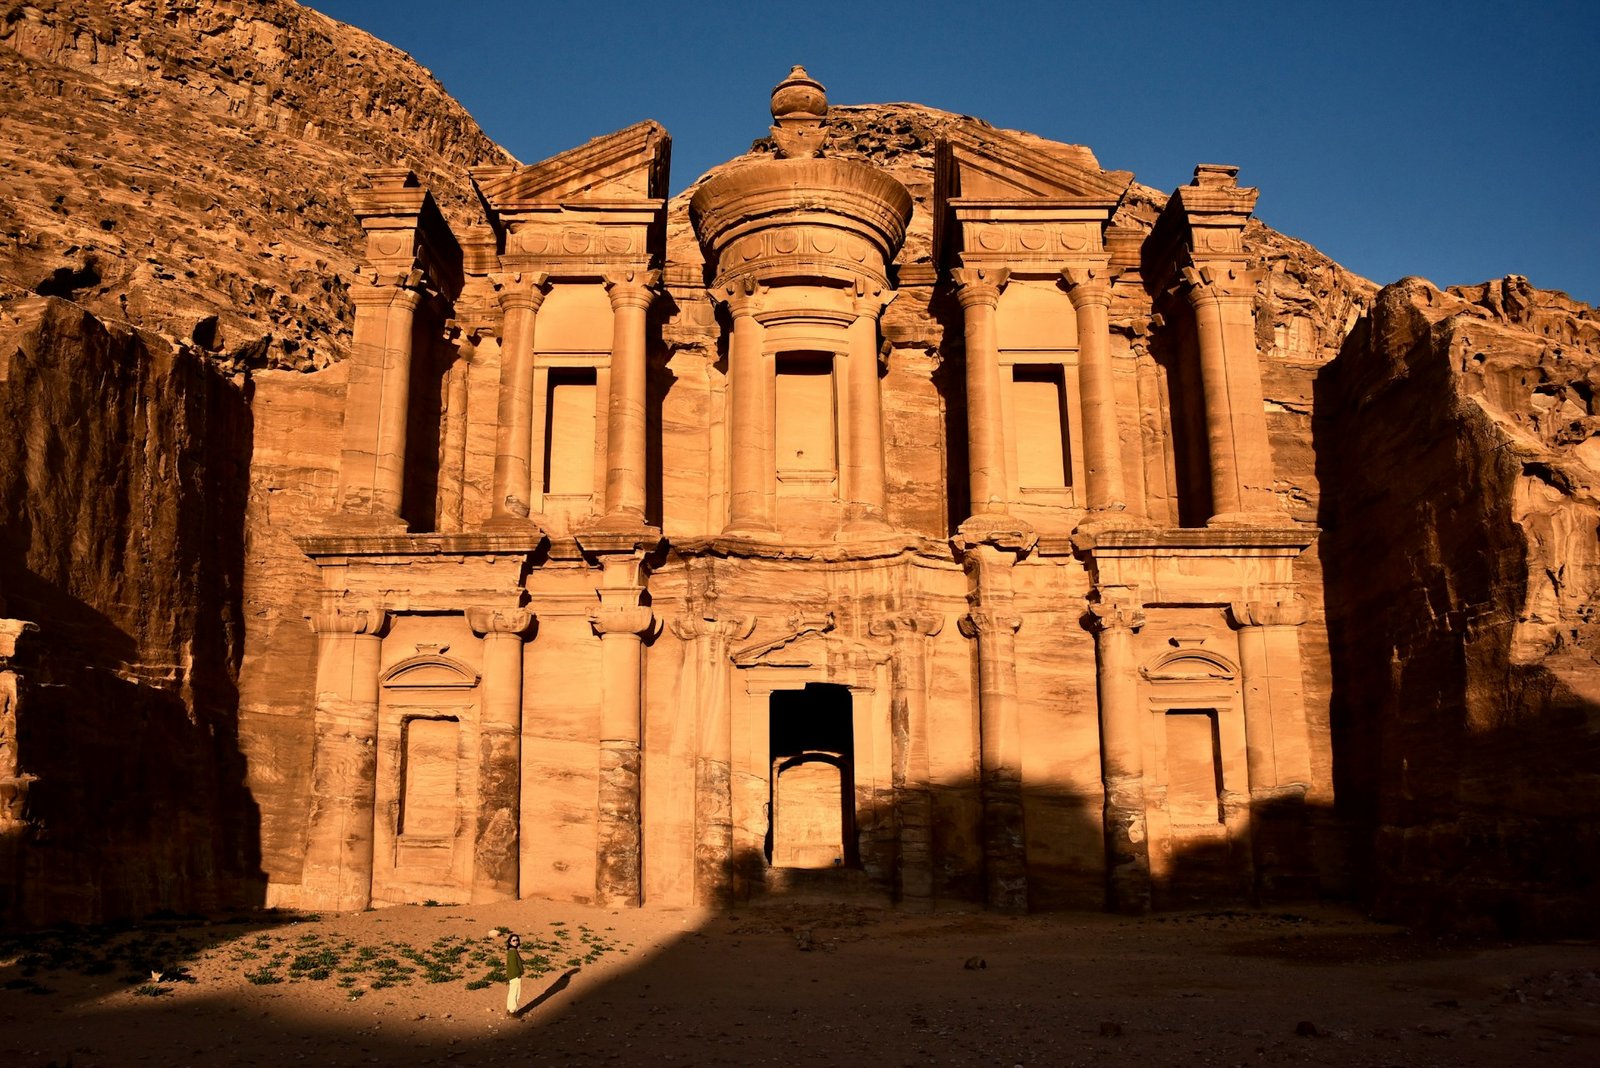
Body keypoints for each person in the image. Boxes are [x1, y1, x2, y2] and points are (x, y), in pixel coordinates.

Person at [504, 932, 524, 1016]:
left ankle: (509, 1009)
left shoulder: (512, 951)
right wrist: (518, 973)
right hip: (515, 976)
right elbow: (513, 965)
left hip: (513, 975)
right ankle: (513, 1011)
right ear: (510, 942)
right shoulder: (512, 952)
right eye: (513, 940)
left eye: (517, 940)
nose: (516, 942)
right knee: (515, 993)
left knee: (512, 992)